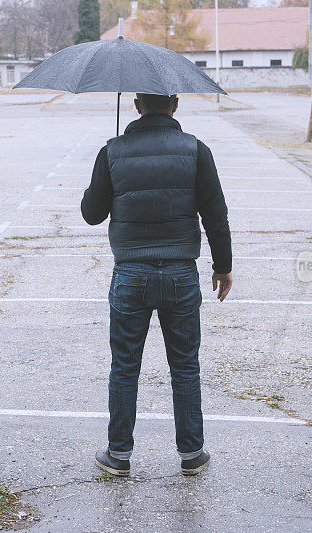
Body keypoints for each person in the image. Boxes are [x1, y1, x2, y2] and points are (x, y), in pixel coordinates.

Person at [81, 93, 233, 477]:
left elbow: (92, 214)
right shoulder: (196, 150)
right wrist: (223, 266)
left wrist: (105, 172)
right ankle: (192, 454)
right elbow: (216, 213)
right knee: (184, 365)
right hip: (181, 273)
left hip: (131, 274)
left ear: (135, 105)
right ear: (175, 104)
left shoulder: (113, 151)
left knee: (125, 366)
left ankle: (118, 454)